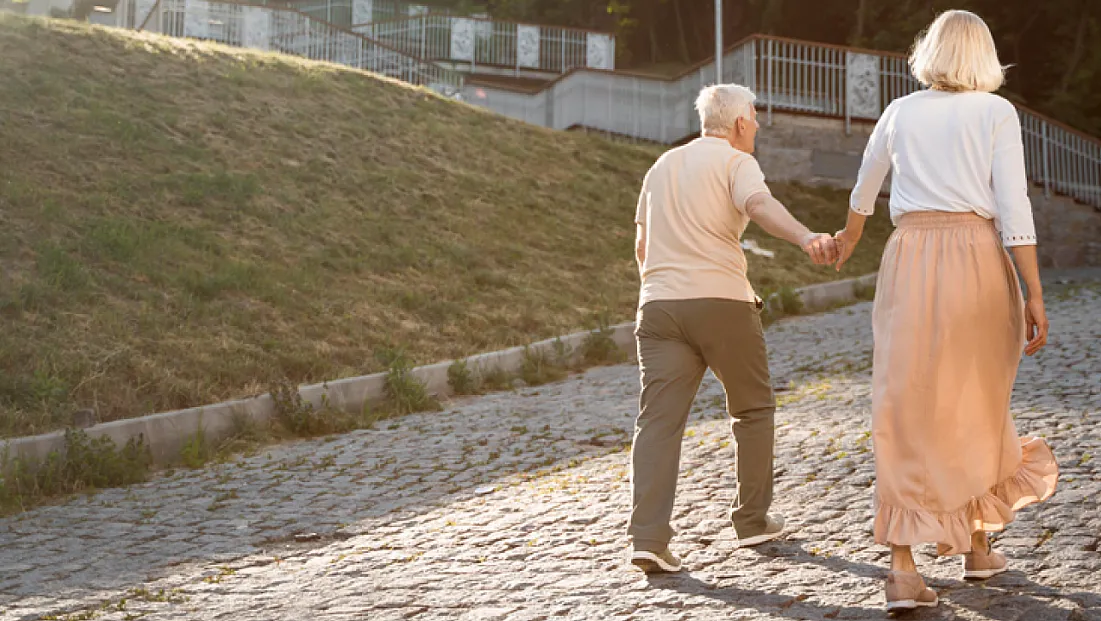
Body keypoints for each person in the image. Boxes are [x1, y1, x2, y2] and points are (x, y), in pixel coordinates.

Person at [832, 10, 1060, 611]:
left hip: (908, 257)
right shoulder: (995, 113)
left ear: (928, 51)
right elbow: (1013, 207)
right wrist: (1033, 291)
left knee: (905, 400)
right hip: (976, 258)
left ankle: (912, 564)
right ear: (983, 55)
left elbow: (864, 188)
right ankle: (975, 545)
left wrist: (848, 240)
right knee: (976, 398)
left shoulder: (900, 111)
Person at [628, 83, 838, 573]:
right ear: (741, 123)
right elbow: (759, 205)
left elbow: (641, 245)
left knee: (657, 422)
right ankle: (751, 520)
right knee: (752, 409)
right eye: (756, 118)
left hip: (658, 308)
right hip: (721, 302)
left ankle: (647, 538)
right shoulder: (736, 161)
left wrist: (661, 288)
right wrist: (806, 237)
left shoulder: (661, 166)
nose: (759, 126)